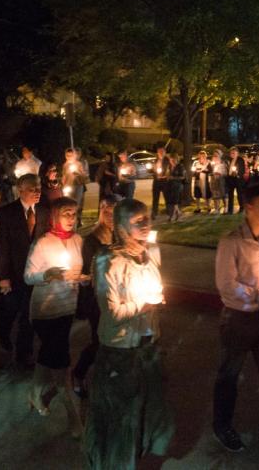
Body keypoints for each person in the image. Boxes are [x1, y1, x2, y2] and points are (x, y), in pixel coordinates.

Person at [85, 199, 173, 469]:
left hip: (148, 346)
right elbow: (110, 313)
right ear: (121, 226)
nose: (146, 225)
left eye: (147, 218)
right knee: (122, 420)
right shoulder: (106, 261)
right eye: (138, 221)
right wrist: (143, 305)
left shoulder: (151, 254)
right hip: (120, 351)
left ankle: (142, 453)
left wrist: (156, 302)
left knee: (150, 411)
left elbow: (155, 290)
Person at [212, 183, 259, 452]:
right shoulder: (231, 241)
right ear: (248, 207)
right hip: (238, 319)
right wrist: (258, 295)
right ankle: (222, 426)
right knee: (229, 375)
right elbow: (226, 285)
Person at [24, 197, 85, 437]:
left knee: (48, 355)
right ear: (55, 216)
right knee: (62, 364)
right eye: (66, 213)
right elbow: (28, 276)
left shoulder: (78, 240)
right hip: (45, 311)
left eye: (74, 213)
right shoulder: (43, 243)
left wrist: (82, 278)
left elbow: (78, 272)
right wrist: (46, 275)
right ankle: (75, 420)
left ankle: (34, 393)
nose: (71, 218)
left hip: (67, 308)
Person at [0, 173, 50, 368]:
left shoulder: (44, 210)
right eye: (32, 189)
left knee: (28, 315)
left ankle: (23, 354)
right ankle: (2, 329)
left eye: (39, 188)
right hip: (14, 271)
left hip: (35, 273)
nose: (37, 192)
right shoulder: (6, 213)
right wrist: (3, 277)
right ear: (21, 190)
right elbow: (2, 248)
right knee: (9, 308)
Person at [72, 194, 118, 398]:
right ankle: (79, 373)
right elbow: (90, 271)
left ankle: (111, 373)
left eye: (114, 212)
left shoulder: (121, 237)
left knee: (116, 339)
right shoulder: (92, 240)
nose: (109, 215)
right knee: (99, 340)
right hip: (97, 298)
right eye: (105, 211)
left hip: (117, 297)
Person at [150, 146, 172, 218]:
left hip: (165, 181)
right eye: (159, 152)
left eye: (162, 151)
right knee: (155, 198)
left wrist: (167, 175)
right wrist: (153, 171)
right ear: (157, 153)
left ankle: (169, 211)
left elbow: (171, 169)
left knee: (167, 197)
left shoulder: (167, 160)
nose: (161, 153)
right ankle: (154, 213)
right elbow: (152, 170)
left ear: (165, 152)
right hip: (157, 181)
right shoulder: (155, 160)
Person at [226, 147, 246, 214]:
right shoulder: (228, 160)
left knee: (239, 194)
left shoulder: (240, 160)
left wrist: (237, 174)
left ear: (237, 153)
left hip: (238, 180)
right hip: (230, 179)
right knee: (230, 195)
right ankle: (230, 210)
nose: (232, 154)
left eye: (233, 153)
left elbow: (242, 170)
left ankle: (242, 208)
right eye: (231, 153)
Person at [166, 154, 186, 222]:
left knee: (175, 201)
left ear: (177, 159)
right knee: (173, 201)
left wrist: (173, 178)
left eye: (173, 160)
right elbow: (168, 175)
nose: (172, 161)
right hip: (171, 186)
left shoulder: (180, 166)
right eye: (171, 160)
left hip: (178, 185)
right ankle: (178, 214)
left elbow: (183, 177)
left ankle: (173, 215)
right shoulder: (170, 167)